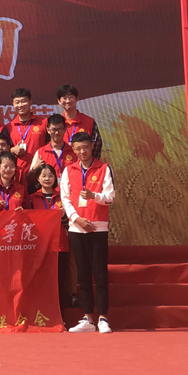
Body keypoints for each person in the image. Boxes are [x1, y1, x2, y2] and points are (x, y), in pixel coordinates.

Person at [62, 132, 115, 333]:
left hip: (98, 227)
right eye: (78, 148)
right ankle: (88, 318)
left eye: (85, 147)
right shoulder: (69, 170)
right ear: (73, 150)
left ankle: (103, 318)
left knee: (99, 273)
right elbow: (65, 198)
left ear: (92, 146)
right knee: (82, 274)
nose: (82, 152)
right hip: (77, 228)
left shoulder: (103, 168)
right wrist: (76, 219)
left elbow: (110, 197)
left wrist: (94, 196)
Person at [30, 163, 72, 309]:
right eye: (43, 176)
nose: (47, 179)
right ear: (38, 178)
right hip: (40, 247)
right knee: (41, 281)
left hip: (60, 245)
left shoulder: (63, 197)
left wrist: (64, 216)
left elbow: (69, 225)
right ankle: (41, 313)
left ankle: (60, 315)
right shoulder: (32, 198)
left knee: (59, 281)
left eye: (50, 176)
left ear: (55, 178)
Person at [5, 88, 48, 182]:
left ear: (30, 102)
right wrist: (12, 150)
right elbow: (2, 150)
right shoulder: (8, 127)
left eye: (23, 101)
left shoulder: (44, 123)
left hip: (40, 173)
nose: (20, 105)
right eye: (17, 102)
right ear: (13, 104)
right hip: (17, 174)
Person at [31, 114, 79, 192]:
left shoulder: (74, 152)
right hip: (48, 196)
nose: (57, 133)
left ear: (65, 129)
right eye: (53, 129)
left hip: (70, 194)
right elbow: (29, 180)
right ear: (48, 130)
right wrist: (34, 169)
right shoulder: (40, 152)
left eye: (60, 129)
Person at [57, 84, 103, 159]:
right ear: (59, 101)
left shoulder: (89, 122)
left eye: (71, 97)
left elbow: (97, 146)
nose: (68, 101)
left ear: (77, 99)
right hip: (62, 164)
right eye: (64, 98)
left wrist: (89, 164)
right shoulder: (56, 124)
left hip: (84, 165)